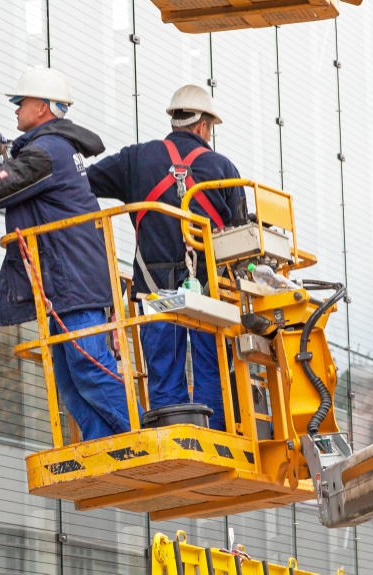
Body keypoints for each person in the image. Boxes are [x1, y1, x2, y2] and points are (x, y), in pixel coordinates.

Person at [0, 68, 136, 441]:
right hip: (64, 285)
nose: (16, 110)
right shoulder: (50, 152)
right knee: (69, 380)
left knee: (89, 369)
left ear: (43, 108)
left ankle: (140, 434)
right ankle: (107, 445)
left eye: (21, 103)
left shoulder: (49, 152)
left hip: (74, 283)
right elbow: (8, 183)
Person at [86, 85, 246, 432]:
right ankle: (215, 440)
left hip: (154, 290)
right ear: (204, 126)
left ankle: (173, 443)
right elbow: (240, 242)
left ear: (175, 120)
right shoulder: (224, 169)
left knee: (163, 370)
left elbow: (81, 182)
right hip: (209, 293)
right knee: (212, 369)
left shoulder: (136, 159)